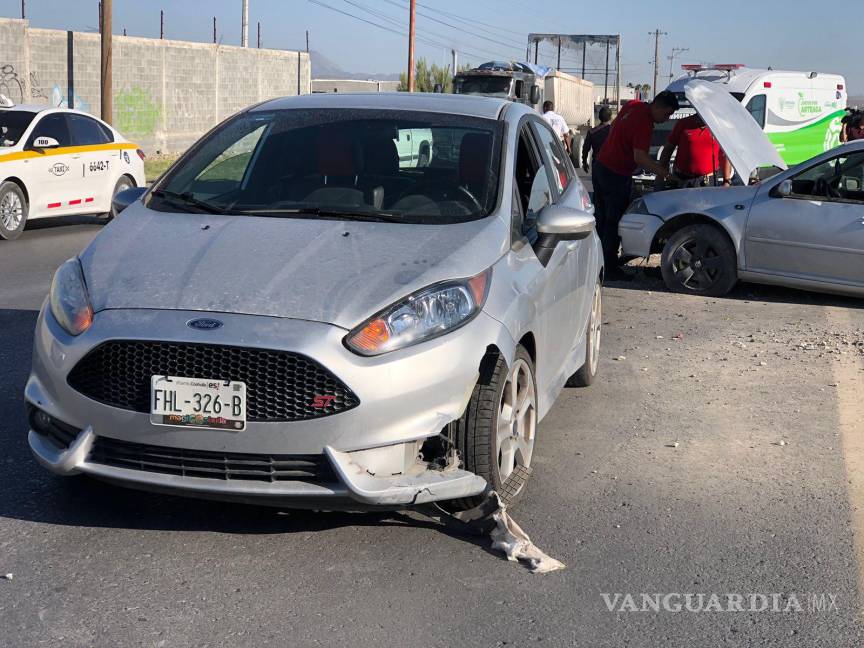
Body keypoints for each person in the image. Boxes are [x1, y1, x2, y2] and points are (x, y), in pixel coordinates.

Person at [593, 91, 679, 277]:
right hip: (616, 173)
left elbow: (614, 126)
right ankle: (609, 269)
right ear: (658, 106)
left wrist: (619, 144)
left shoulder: (633, 104)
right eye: (666, 114)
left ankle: (596, 263)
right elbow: (639, 157)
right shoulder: (645, 124)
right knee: (612, 223)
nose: (666, 120)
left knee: (601, 220)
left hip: (600, 166)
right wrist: (665, 174)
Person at [658, 114, 733, 188]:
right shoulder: (683, 123)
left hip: (707, 181)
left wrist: (726, 180)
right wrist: (660, 173)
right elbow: (668, 148)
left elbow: (725, 155)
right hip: (682, 179)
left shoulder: (720, 126)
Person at [581, 106, 612, 173]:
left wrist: (584, 162)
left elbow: (585, 148)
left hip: (597, 164)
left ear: (599, 117)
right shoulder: (615, 131)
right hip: (612, 165)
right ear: (610, 117)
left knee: (597, 183)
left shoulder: (592, 132)